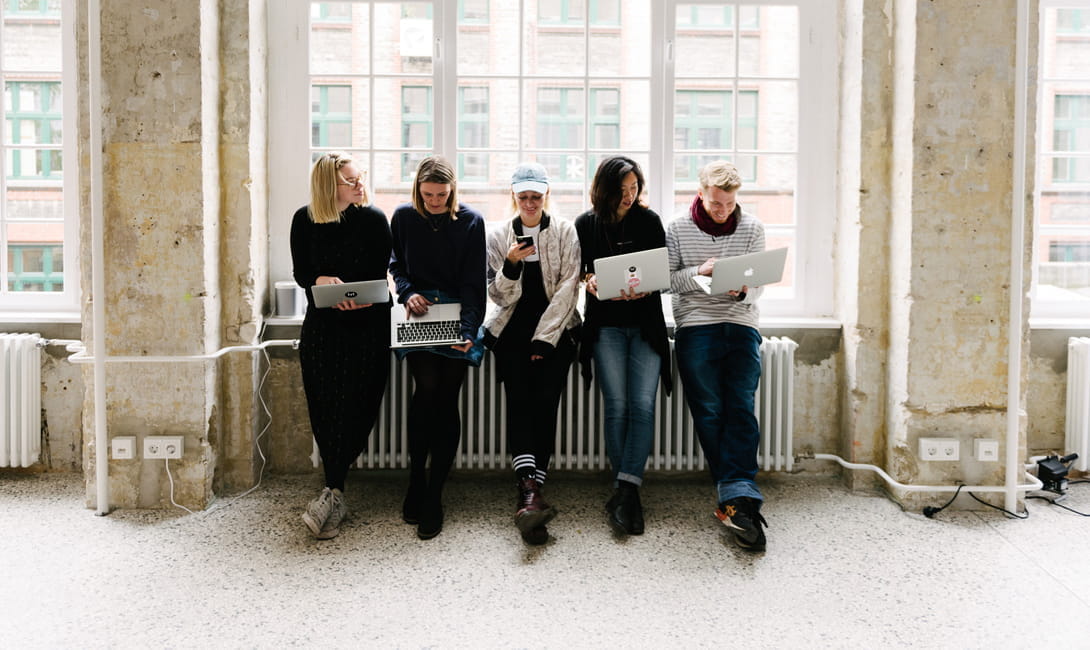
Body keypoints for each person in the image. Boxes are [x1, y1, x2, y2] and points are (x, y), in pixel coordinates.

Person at [665, 160, 769, 552]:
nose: (722, 210)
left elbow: (759, 284)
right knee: (709, 409)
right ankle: (737, 497)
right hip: (696, 324)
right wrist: (701, 272)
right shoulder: (677, 228)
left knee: (740, 406)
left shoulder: (753, 228)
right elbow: (666, 282)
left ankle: (734, 499)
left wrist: (742, 290)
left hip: (741, 321)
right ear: (701, 194)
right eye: (715, 203)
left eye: (728, 203)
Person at [290, 151, 391, 540]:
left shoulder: (374, 219)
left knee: (359, 405)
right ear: (329, 186)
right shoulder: (304, 219)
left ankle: (333, 492)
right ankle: (335, 491)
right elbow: (302, 274)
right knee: (325, 404)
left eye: (359, 177)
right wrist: (322, 278)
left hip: (368, 325)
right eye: (351, 180)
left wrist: (357, 293)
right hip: (325, 326)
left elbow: (379, 274)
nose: (359, 184)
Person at [483, 162, 582, 546]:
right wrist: (510, 263)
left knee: (546, 406)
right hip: (512, 333)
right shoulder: (498, 235)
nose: (529, 202)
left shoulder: (563, 231)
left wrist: (545, 339)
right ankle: (530, 492)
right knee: (520, 404)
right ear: (513, 196)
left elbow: (569, 288)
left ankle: (530, 495)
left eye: (535, 196)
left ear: (546, 196)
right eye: (523, 196)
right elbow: (499, 295)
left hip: (555, 333)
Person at [389, 155, 487, 540]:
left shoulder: (471, 221)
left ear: (452, 191)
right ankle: (416, 479)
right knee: (425, 389)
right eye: (428, 195)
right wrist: (408, 292)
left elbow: (474, 281)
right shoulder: (403, 217)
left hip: (459, 311)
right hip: (419, 312)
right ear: (417, 190)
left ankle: (434, 492)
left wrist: (468, 328)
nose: (434, 202)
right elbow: (396, 264)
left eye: (442, 195)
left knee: (447, 397)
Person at [574, 156, 671, 536]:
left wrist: (645, 286)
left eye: (635, 188)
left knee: (641, 405)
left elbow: (661, 273)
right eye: (623, 189)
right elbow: (580, 270)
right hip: (606, 325)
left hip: (645, 324)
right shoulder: (585, 223)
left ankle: (625, 490)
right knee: (616, 406)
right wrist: (591, 282)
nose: (630, 196)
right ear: (605, 190)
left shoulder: (649, 222)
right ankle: (628, 492)